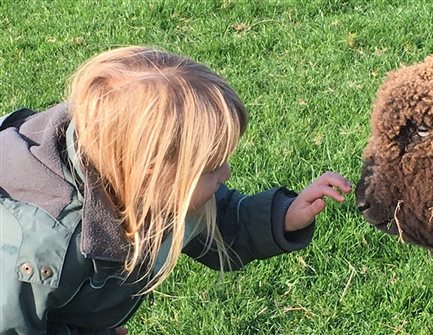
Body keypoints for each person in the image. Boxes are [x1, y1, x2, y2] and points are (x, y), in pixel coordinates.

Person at [0, 46, 352, 335]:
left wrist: (285, 216)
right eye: (212, 168)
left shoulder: (146, 182)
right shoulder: (42, 248)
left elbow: (220, 219)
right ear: (153, 173)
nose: (227, 172)